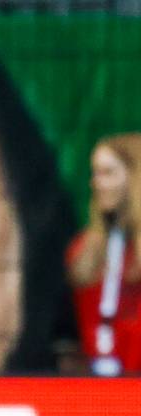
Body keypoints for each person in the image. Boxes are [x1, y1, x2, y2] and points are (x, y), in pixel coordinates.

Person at [67, 133, 141, 375]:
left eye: (108, 173)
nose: (98, 182)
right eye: (95, 173)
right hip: (95, 384)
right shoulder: (84, 249)